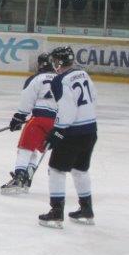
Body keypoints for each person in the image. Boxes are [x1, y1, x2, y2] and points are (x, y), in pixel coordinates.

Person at [39, 46, 97, 228]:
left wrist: (57, 131)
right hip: (90, 130)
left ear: (59, 62)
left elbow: (67, 110)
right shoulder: (83, 74)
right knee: (80, 170)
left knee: (56, 170)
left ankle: (56, 213)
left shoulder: (60, 80)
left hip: (72, 133)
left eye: (54, 61)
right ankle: (86, 210)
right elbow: (94, 97)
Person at [1, 52, 57, 195]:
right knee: (34, 147)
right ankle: (28, 175)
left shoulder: (36, 79)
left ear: (40, 64)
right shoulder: (62, 79)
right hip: (58, 123)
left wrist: (19, 117)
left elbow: (27, 98)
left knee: (25, 147)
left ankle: (19, 177)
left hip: (39, 120)